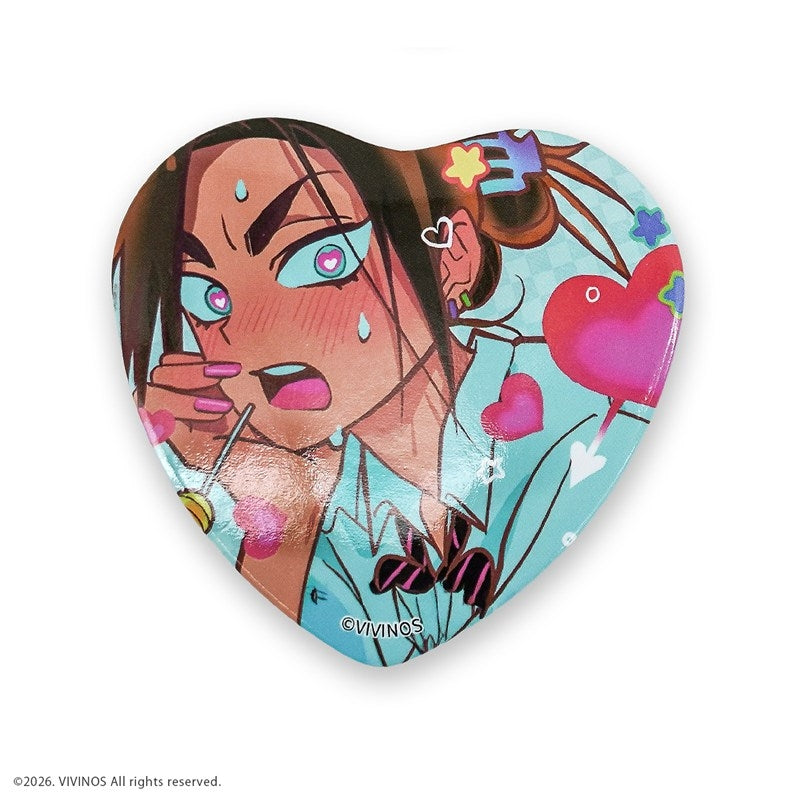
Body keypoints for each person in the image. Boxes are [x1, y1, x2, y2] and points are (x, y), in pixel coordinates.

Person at [114, 118, 645, 665]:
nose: (252, 340)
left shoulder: (588, 419)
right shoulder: (335, 502)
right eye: (208, 298)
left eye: (322, 258)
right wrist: (261, 497)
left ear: (452, 256)